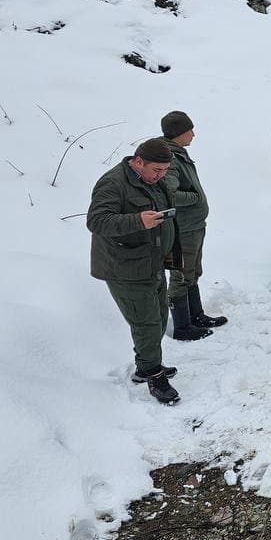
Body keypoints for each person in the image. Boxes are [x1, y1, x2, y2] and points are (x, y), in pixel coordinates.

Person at [87, 138, 184, 405]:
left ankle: (145, 366)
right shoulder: (113, 183)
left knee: (159, 317)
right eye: (157, 170)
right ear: (138, 161)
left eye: (165, 170)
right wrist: (137, 221)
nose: (161, 175)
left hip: (151, 261)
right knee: (146, 323)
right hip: (125, 267)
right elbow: (96, 220)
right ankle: (154, 376)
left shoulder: (152, 180)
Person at [160, 111, 225, 340]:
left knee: (193, 271)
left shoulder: (178, 153)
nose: (194, 134)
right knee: (181, 274)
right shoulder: (169, 158)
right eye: (190, 130)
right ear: (179, 132)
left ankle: (196, 316)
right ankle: (182, 326)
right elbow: (169, 193)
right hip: (182, 228)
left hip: (193, 226)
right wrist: (194, 198)